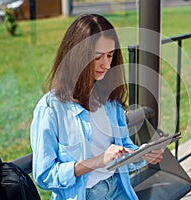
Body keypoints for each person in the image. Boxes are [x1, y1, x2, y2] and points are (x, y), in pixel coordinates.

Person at [30, 14, 164, 200]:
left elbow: (123, 147)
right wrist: (96, 162)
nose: (107, 65)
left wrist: (142, 155)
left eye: (110, 55)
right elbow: (45, 176)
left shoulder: (109, 99)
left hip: (119, 189)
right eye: (98, 57)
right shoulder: (51, 108)